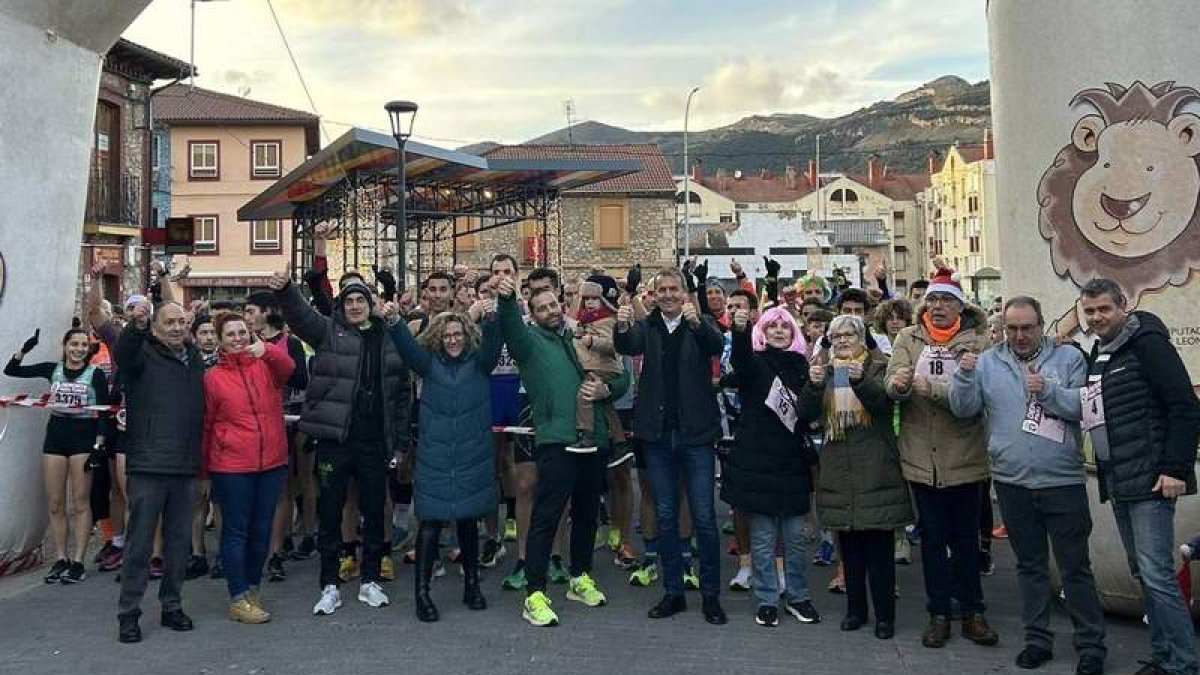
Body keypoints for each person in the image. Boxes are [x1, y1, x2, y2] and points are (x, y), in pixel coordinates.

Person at [949, 296, 1105, 675]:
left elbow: (1086, 409)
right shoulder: (987, 361)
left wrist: (1049, 392)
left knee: (1075, 568)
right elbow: (963, 409)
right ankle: (1037, 640)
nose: (1019, 336)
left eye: (1027, 328)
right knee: (1030, 566)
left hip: (1063, 481)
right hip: (1012, 482)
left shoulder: (1068, 359)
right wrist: (964, 376)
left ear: (1041, 325)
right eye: (1012, 328)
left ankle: (1091, 646)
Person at [269, 264, 411, 616]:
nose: (355, 306)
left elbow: (402, 396)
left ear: (371, 303)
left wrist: (400, 443)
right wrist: (286, 289)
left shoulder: (391, 337)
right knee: (330, 512)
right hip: (335, 438)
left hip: (375, 440)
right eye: (349, 301)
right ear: (342, 306)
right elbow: (302, 317)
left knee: (375, 511)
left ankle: (370, 580)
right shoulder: (329, 333)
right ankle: (329, 584)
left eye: (361, 300)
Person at [1078, 278, 1200, 675]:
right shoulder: (1102, 351)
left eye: (1104, 309)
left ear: (1123, 306)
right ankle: (1164, 657)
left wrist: (1175, 469)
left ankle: (1182, 664)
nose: (1097, 317)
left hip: (1151, 479)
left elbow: (1184, 405)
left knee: (1157, 575)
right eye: (1090, 311)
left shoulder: (1148, 343)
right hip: (1121, 478)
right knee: (1143, 573)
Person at [494, 274, 629, 627]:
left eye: (553, 303)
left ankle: (580, 576)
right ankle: (535, 593)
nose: (550, 311)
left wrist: (606, 390)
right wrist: (507, 301)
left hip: (595, 437)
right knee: (547, 516)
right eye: (541, 308)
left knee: (586, 513)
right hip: (556, 439)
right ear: (533, 314)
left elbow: (620, 373)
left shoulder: (581, 337)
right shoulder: (529, 344)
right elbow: (511, 330)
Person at [885, 268, 998, 649]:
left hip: (965, 456)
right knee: (932, 538)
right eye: (931, 300)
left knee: (965, 538)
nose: (937, 307)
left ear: (960, 306)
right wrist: (898, 386)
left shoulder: (978, 343)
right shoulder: (907, 337)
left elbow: (973, 400)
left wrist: (930, 388)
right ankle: (938, 613)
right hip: (920, 456)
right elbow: (893, 377)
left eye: (945, 300)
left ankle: (973, 611)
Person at [615, 268, 728, 625]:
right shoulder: (647, 326)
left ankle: (710, 594)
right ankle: (673, 590)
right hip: (659, 435)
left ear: (684, 293)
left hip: (696, 433)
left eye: (672, 289)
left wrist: (697, 322)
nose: (667, 295)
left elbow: (716, 344)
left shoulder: (699, 322)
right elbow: (626, 344)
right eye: (660, 290)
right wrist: (619, 324)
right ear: (653, 294)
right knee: (665, 514)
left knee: (704, 516)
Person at [387, 303, 500, 622]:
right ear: (438, 338)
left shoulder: (480, 363)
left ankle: (472, 585)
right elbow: (408, 349)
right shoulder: (428, 364)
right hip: (436, 456)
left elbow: (494, 343)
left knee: (467, 523)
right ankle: (421, 594)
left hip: (470, 455)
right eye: (447, 335)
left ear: (467, 335)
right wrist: (395, 321)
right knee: (431, 524)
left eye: (458, 334)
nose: (453, 340)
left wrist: (493, 317)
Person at [803, 314, 912, 640]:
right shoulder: (825, 370)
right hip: (838, 467)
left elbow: (883, 405)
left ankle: (885, 617)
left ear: (862, 339)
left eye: (849, 335)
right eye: (836, 337)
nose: (842, 341)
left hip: (875, 466)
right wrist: (813, 385)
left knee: (879, 550)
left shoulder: (879, 366)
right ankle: (855, 610)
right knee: (849, 550)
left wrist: (861, 379)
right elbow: (806, 415)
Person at [722, 305, 821, 628]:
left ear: (794, 333)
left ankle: (798, 596)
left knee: (794, 538)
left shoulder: (802, 367)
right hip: (757, 461)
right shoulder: (755, 363)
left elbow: (808, 414)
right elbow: (740, 360)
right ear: (762, 332)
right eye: (772, 326)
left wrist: (817, 387)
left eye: (785, 327)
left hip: (791, 461)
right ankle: (766, 599)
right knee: (763, 539)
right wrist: (739, 330)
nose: (779, 331)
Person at [114, 302, 205, 644]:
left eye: (182, 321)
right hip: (149, 464)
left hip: (185, 465)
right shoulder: (141, 356)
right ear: (154, 327)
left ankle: (172, 605)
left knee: (179, 543)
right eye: (169, 322)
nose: (177, 327)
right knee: (139, 544)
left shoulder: (193, 358)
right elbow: (123, 352)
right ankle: (129, 614)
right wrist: (135, 328)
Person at [202, 312, 295, 624]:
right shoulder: (212, 377)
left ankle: (253, 589)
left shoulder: (265, 365)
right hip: (232, 465)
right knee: (235, 531)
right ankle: (238, 596)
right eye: (231, 334)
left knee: (262, 530)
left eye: (242, 332)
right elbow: (206, 425)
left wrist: (266, 349)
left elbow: (289, 367)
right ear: (220, 340)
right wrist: (204, 471)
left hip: (271, 461)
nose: (238, 339)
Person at [6, 328, 110, 584]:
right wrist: (25, 348)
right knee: (54, 502)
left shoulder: (94, 373)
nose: (78, 349)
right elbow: (12, 370)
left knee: (80, 501)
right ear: (65, 346)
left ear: (89, 349)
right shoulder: (52, 369)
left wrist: (99, 444)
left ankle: (78, 560)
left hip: (84, 438)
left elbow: (104, 411)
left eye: (84, 345)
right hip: (56, 435)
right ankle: (61, 558)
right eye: (74, 344)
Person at [243, 291, 312, 583]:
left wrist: (271, 357)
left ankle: (296, 539)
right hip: (257, 422)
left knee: (300, 481)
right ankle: (270, 544)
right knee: (272, 488)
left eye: (250, 311)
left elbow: (300, 379)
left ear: (267, 312)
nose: (246, 317)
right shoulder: (242, 343)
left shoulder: (290, 342)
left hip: (292, 417)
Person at [570, 274, 626, 453]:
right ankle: (620, 442)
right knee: (606, 406)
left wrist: (592, 341)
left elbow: (614, 346)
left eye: (595, 299)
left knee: (584, 396)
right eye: (586, 299)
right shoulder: (588, 319)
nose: (589, 303)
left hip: (604, 368)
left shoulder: (608, 320)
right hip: (595, 366)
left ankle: (587, 435)